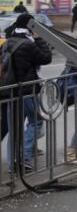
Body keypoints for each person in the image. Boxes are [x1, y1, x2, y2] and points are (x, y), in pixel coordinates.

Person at [0, 14, 53, 172]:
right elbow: (46, 58)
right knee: (36, 121)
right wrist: (38, 38)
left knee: (14, 127)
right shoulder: (28, 43)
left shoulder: (8, 42)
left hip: (10, 91)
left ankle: (12, 164)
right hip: (27, 90)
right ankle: (24, 158)